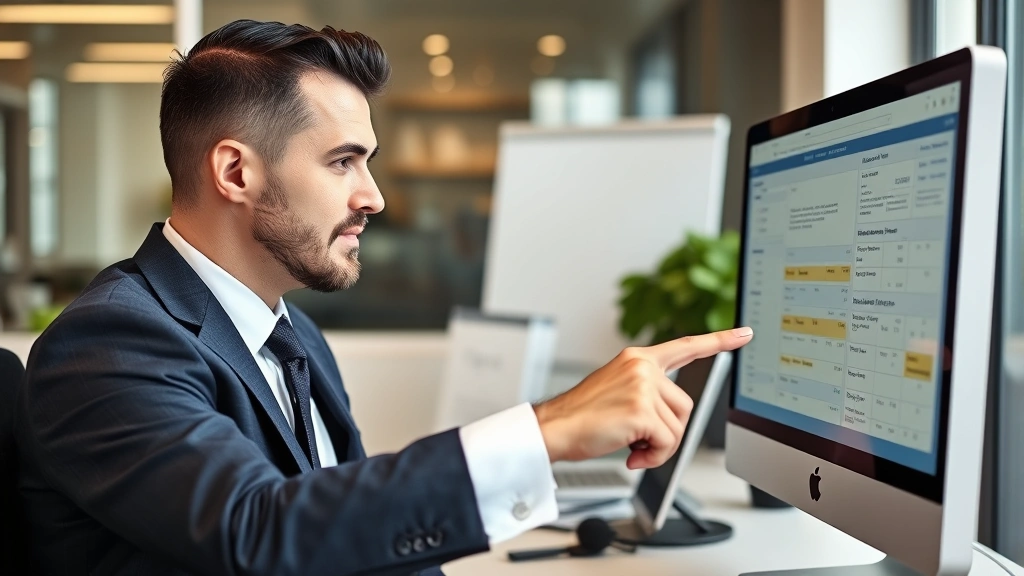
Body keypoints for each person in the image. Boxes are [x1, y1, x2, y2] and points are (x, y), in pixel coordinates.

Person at [14, 20, 753, 576]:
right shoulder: (109, 344)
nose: (374, 196)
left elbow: (345, 534)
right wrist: (547, 428)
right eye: (344, 162)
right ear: (236, 173)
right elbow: (258, 531)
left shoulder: (291, 334)